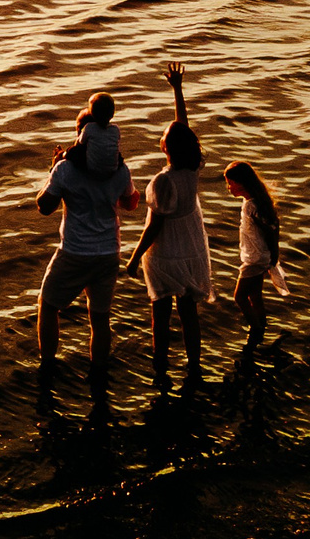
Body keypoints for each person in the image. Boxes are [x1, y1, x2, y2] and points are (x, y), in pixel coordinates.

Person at [36, 95, 139, 380]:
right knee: (100, 318)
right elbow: (131, 204)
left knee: (48, 306)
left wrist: (53, 170)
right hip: (108, 253)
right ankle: (99, 375)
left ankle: (47, 369)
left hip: (75, 252)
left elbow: (44, 207)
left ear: (81, 134)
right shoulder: (120, 170)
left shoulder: (66, 169)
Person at [124, 62, 213, 389]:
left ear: (166, 148)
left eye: (163, 136)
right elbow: (183, 127)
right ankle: (194, 367)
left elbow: (153, 228)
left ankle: (160, 371)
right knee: (189, 314)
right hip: (190, 250)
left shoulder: (163, 181)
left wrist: (134, 259)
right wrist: (177, 89)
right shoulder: (191, 170)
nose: (162, 135)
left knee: (159, 317)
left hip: (164, 257)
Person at [225, 159, 288, 353]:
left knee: (239, 297)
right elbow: (273, 225)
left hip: (254, 259)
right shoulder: (253, 202)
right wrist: (272, 253)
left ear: (242, 183)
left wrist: (273, 252)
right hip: (260, 256)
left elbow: (271, 228)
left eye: (230, 183)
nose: (228, 187)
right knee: (255, 296)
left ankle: (256, 330)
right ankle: (262, 325)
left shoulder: (251, 206)